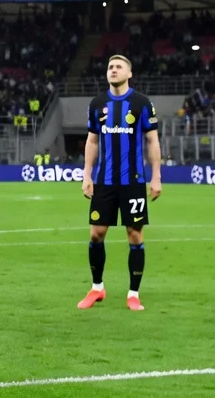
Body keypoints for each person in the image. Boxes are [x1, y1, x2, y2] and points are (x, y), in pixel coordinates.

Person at [78, 55, 161, 312]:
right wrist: (86, 174)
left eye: (118, 67)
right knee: (96, 233)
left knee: (134, 235)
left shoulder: (142, 103)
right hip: (105, 180)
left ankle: (133, 293)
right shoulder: (97, 104)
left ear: (129, 73)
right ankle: (97, 288)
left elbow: (152, 141)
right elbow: (92, 141)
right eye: (110, 67)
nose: (113, 70)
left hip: (133, 181)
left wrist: (156, 176)